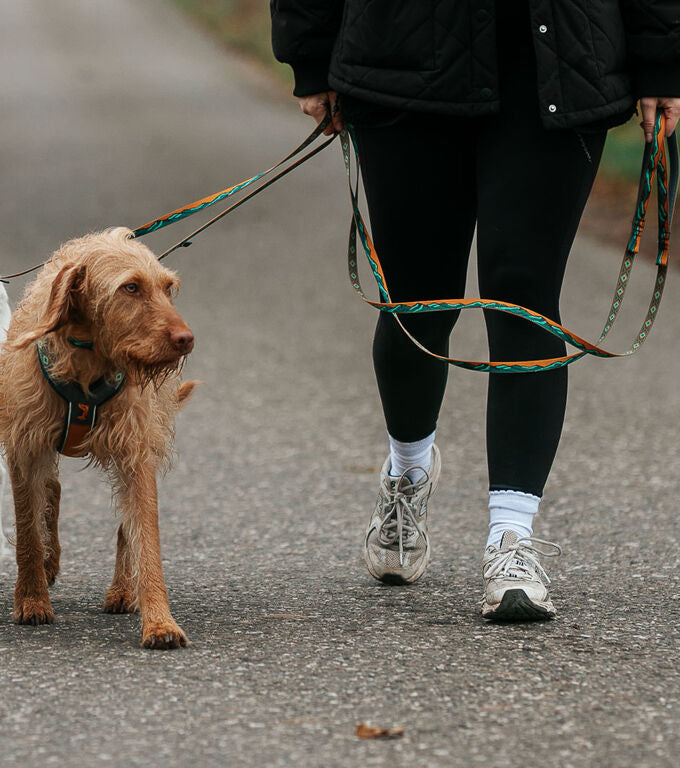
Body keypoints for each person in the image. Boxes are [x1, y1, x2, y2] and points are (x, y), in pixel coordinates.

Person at [270, 0, 679, 620]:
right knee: (418, 300)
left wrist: (663, 59)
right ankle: (408, 472)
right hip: (401, 58)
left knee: (525, 300)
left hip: (557, 62)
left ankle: (511, 538)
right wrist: (310, 48)